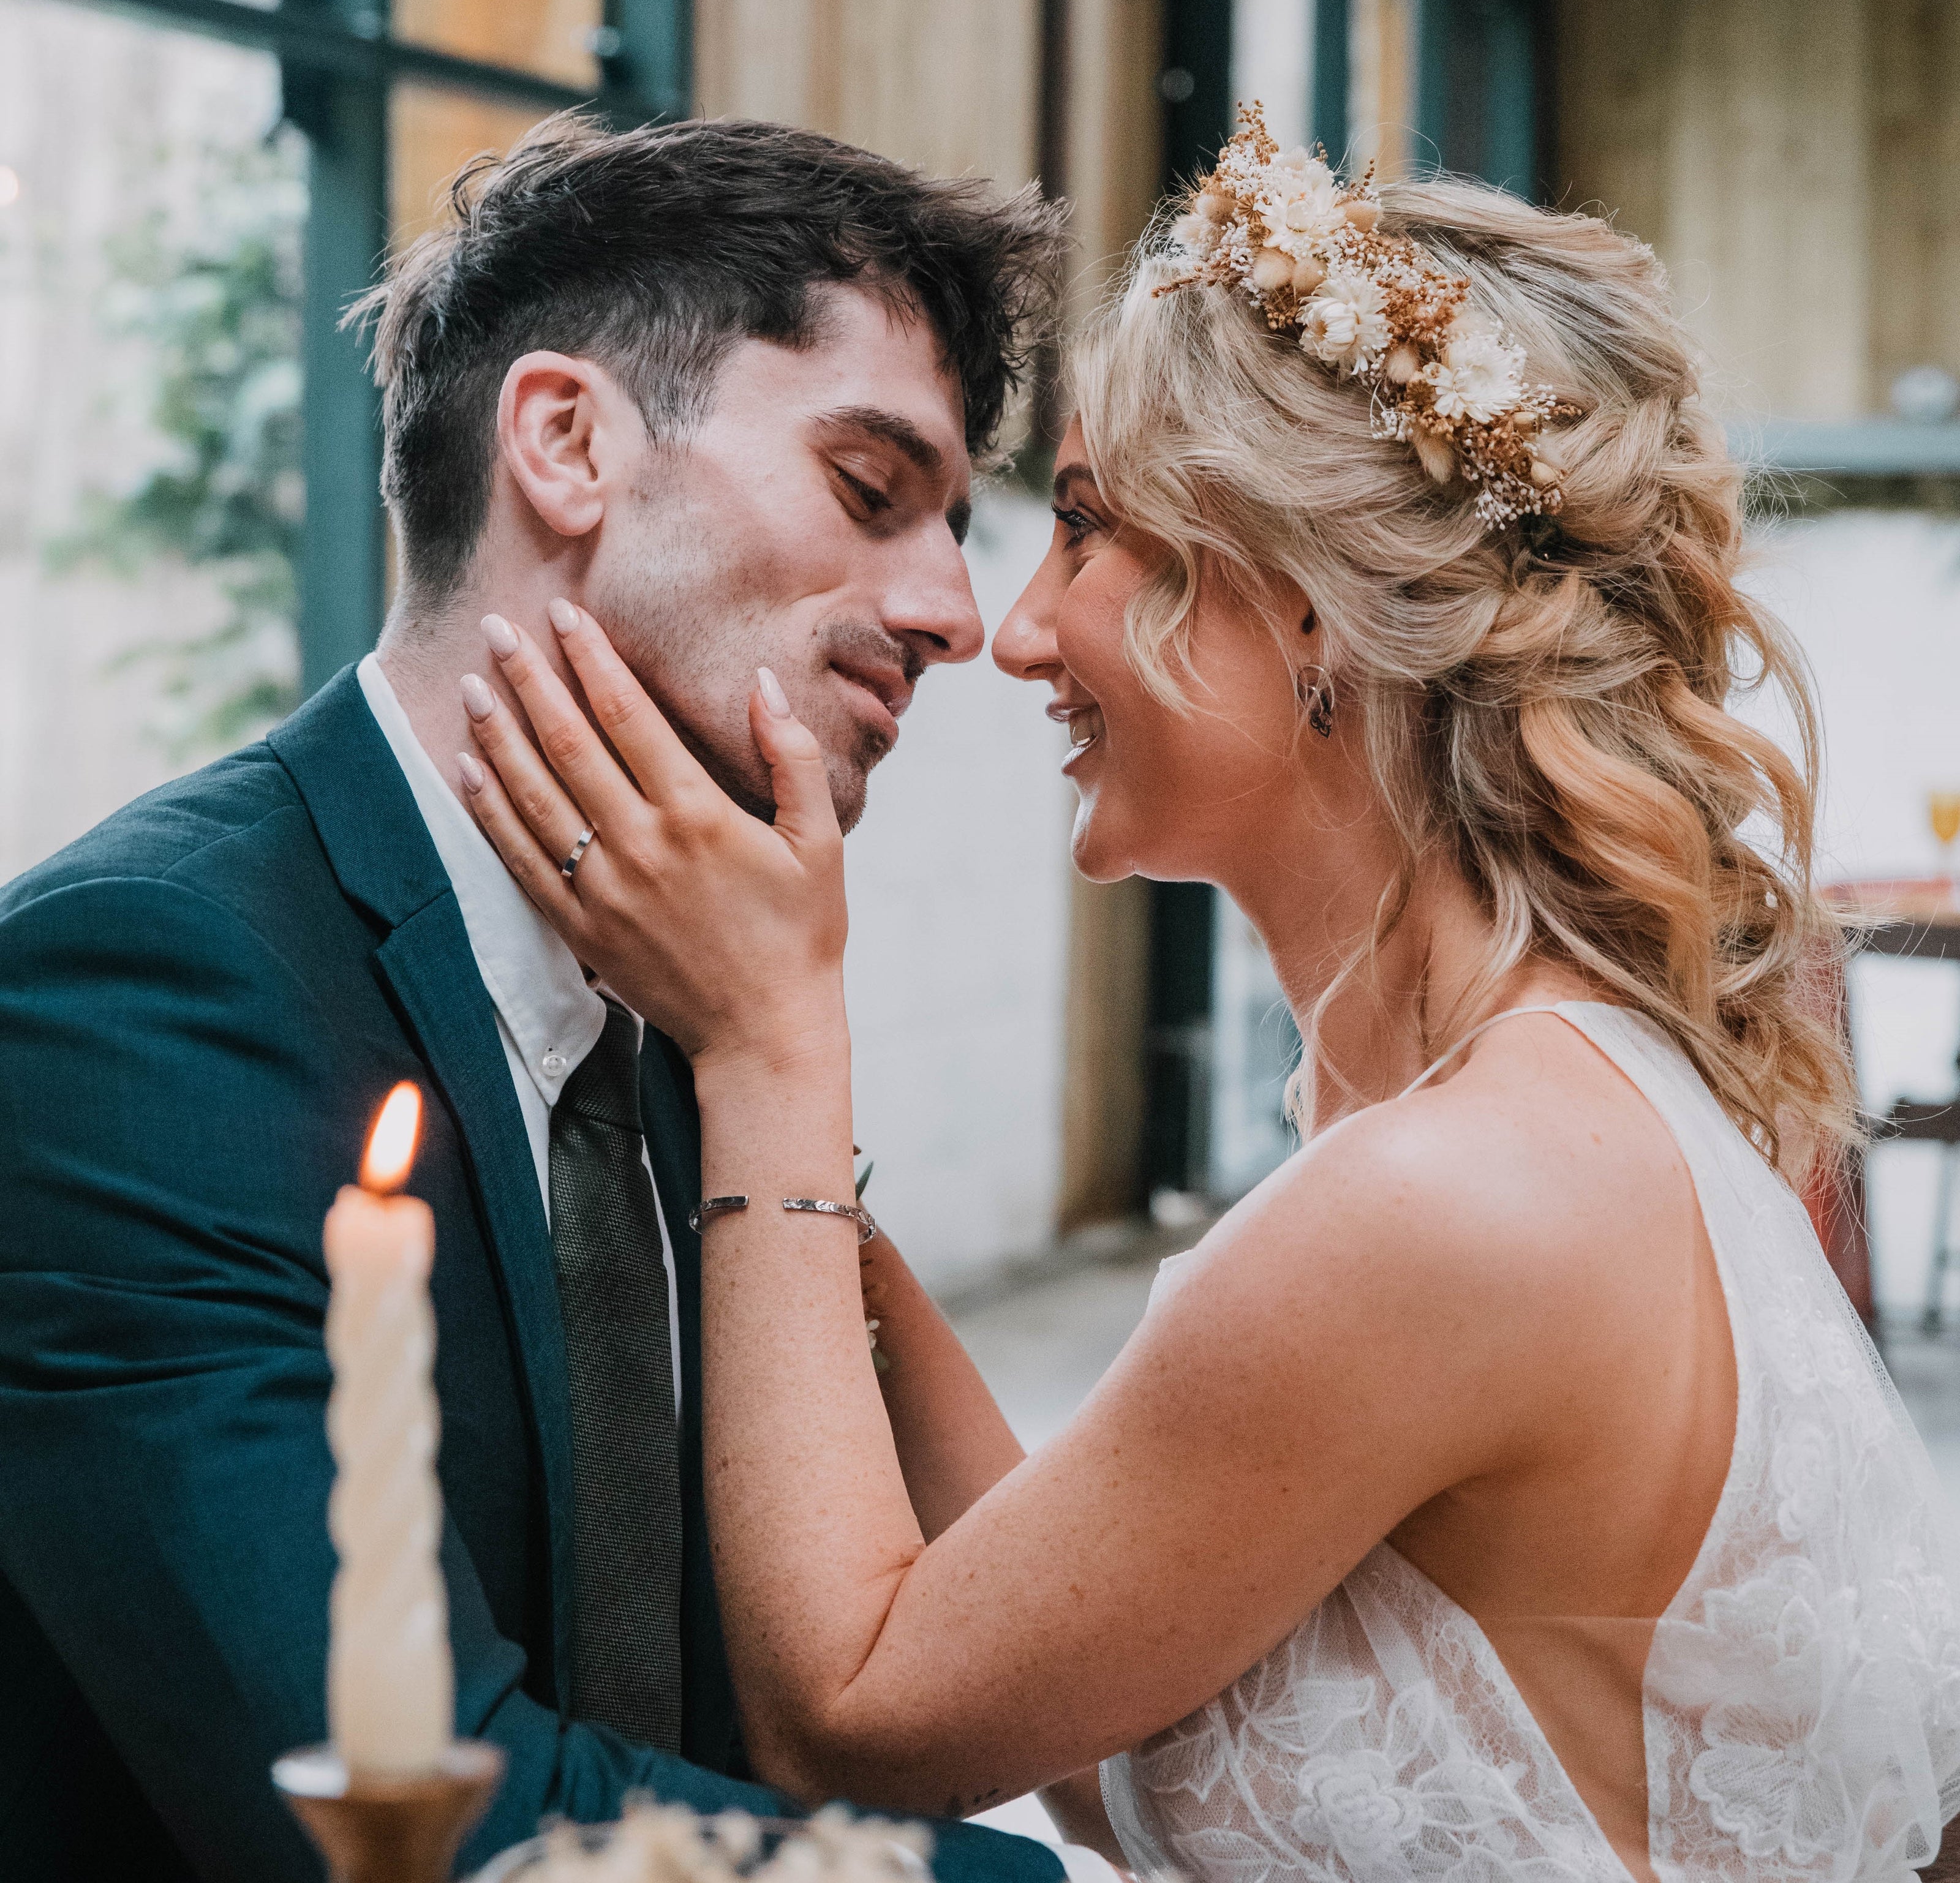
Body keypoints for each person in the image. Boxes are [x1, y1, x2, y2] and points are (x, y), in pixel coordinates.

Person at [456, 113, 1960, 1882]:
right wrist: (783, 1158)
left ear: (1313, 606)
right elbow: (1111, 1705)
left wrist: (775, 1039)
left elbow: (856, 1710)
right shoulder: (1535, 1113)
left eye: (1084, 530)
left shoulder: (1447, 1202)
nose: (1012, 632)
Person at [0, 113, 1087, 1883]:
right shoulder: (140, 998)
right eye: (874, 493)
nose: (955, 611)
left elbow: (853, 1663)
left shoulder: (702, 1001)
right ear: (569, 442)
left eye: (952, 527)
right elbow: (416, 1807)